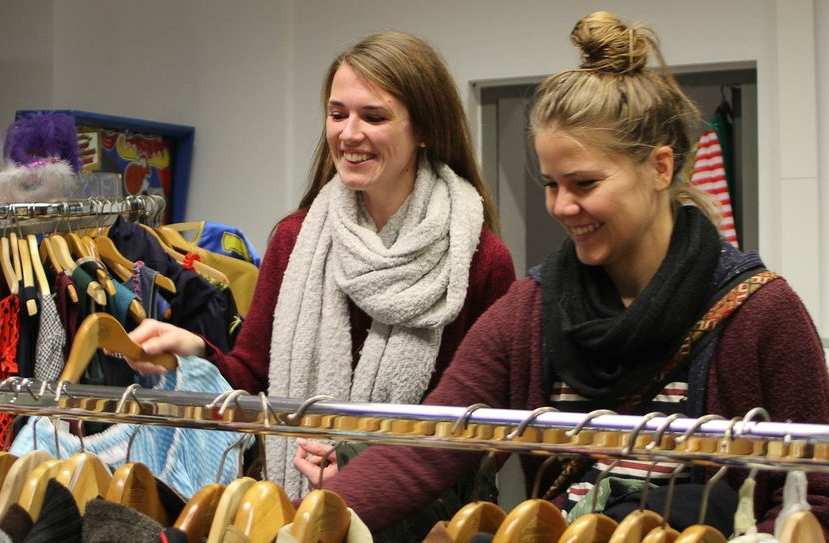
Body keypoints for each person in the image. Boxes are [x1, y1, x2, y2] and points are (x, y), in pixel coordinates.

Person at [310, 11, 829, 537]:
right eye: (552, 184)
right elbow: (433, 445)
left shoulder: (760, 312)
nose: (562, 206)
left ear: (660, 168)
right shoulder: (532, 308)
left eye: (584, 183)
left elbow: (818, 494)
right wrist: (311, 522)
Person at [126, 30, 516, 507]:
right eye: (337, 114)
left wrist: (362, 470)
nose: (348, 133)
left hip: (425, 520)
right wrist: (197, 352)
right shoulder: (295, 239)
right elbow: (254, 380)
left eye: (373, 116)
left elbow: (490, 428)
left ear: (424, 131)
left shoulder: (479, 258)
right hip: (296, 511)